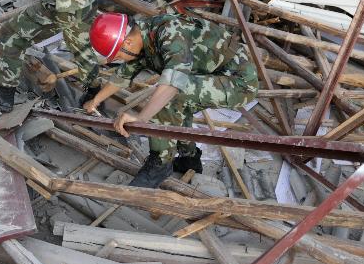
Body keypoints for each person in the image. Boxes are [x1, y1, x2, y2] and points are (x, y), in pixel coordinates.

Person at [84, 12, 259, 188]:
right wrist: (96, 100)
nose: (118, 60)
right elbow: (123, 75)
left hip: (239, 82)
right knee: (180, 103)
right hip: (213, 74)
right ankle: (189, 158)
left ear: (127, 42)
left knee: (171, 96)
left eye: (118, 56)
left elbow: (174, 83)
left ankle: (160, 165)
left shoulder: (169, 32)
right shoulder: (141, 38)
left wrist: (141, 118)